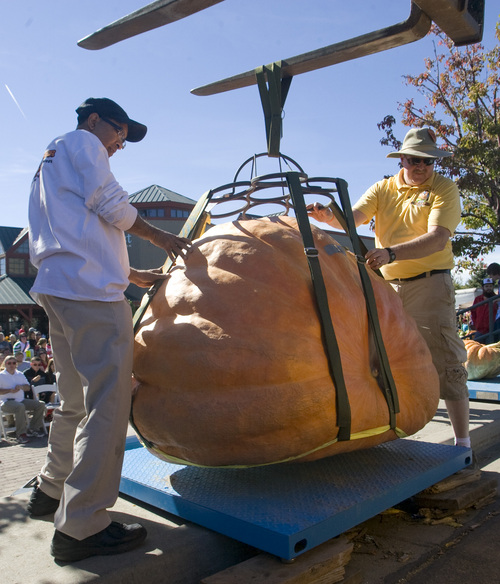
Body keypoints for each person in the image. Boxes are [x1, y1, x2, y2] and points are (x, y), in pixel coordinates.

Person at [26, 97, 191, 563]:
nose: (120, 143)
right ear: (93, 120)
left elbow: (76, 229)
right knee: (107, 404)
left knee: (73, 399)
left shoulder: (51, 157)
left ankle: (50, 490)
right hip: (92, 296)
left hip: (59, 288)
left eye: (124, 139)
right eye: (118, 131)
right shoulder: (84, 143)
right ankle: (83, 525)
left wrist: (129, 273)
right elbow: (110, 204)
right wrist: (162, 237)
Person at [308, 127, 471, 451]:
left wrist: (391, 253)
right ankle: (382, 433)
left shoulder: (443, 188)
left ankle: (463, 444)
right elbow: (351, 219)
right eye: (414, 159)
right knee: (380, 359)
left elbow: (438, 238)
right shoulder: (383, 189)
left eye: (427, 160)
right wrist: (328, 216)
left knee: (446, 362)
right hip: (386, 287)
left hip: (430, 285)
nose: (421, 166)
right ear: (402, 159)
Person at [0, 355, 46, 443]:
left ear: (16, 364)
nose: (12, 365)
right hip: (6, 402)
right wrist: (9, 390)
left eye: (14, 363)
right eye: (9, 363)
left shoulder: (20, 374)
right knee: (20, 407)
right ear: (5, 364)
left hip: (20, 400)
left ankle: (33, 428)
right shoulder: (1, 375)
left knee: (40, 404)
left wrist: (21, 387)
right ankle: (21, 434)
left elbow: (28, 387)